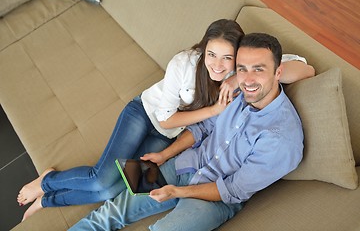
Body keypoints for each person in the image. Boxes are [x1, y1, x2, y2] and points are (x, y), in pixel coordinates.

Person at [17, 18, 313, 221]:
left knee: (113, 189)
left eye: (228, 59)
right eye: (211, 54)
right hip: (148, 115)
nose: (218, 65)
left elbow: (304, 69)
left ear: (240, 59)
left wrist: (238, 78)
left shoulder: (244, 74)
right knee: (102, 179)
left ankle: (47, 200)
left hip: (172, 136)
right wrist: (213, 111)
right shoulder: (184, 64)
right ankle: (49, 181)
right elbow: (166, 117)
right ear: (203, 49)